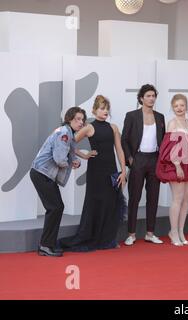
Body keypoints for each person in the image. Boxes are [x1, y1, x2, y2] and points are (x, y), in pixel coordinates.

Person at [59, 95, 127, 252]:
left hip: (111, 171)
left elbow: (119, 150)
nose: (105, 111)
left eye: (107, 109)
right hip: (96, 172)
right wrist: (84, 155)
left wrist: (123, 172)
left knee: (110, 205)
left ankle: (107, 239)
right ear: (94, 110)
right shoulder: (89, 127)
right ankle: (92, 237)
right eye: (102, 108)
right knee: (95, 203)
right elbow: (68, 141)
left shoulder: (113, 127)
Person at [30, 107, 85, 257]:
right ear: (69, 119)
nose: (81, 122)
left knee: (56, 207)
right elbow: (59, 159)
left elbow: (70, 153)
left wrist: (75, 161)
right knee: (55, 207)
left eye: (82, 119)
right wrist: (71, 163)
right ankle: (46, 246)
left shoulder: (68, 134)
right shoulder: (64, 134)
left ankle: (48, 244)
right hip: (42, 173)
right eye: (77, 119)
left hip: (43, 174)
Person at [156, 94, 188, 246]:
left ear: (186, 107)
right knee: (177, 198)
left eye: (182, 105)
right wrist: (177, 165)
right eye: (176, 106)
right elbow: (170, 147)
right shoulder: (172, 123)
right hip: (176, 164)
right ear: (172, 107)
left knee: (187, 198)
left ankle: (181, 231)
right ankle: (173, 232)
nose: (179, 108)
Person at [122, 84, 166, 246]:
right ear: (141, 98)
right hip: (138, 159)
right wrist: (130, 159)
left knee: (153, 197)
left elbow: (163, 141)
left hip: (155, 159)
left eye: (153, 95)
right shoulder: (132, 116)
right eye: (148, 95)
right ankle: (131, 234)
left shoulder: (160, 117)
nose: (151, 98)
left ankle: (150, 233)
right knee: (134, 197)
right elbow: (124, 139)